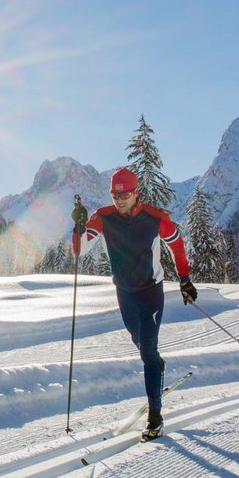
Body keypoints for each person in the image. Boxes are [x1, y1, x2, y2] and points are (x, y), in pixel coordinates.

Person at [72, 167, 196, 441]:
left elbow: (176, 244)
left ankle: (155, 417)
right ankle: (157, 365)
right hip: (124, 292)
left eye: (125, 194)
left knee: (147, 351)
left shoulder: (155, 217)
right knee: (140, 343)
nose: (119, 200)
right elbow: (80, 249)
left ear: (135, 193)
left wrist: (185, 279)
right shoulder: (103, 217)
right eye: (115, 195)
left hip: (151, 291)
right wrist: (78, 227)